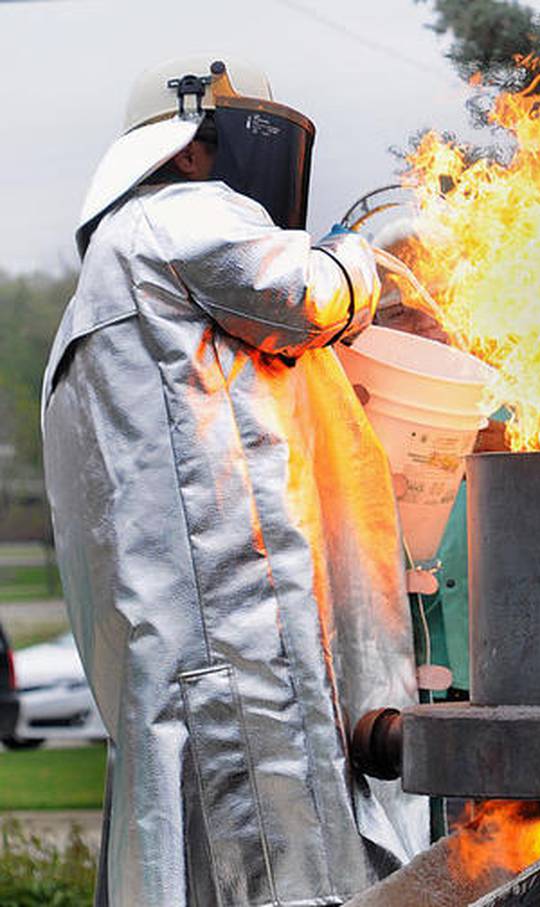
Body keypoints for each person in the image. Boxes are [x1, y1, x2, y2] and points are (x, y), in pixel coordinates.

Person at [41, 56, 427, 905]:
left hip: (182, 658)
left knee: (195, 873)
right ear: (187, 148)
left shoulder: (106, 280)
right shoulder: (179, 216)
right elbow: (307, 289)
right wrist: (380, 261)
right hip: (243, 647)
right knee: (289, 879)